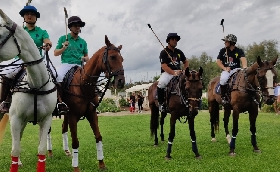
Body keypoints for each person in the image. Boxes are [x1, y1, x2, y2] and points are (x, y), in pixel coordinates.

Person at [0, 5, 52, 114]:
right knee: (7, 76)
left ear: (36, 17)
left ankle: (58, 102)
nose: (29, 16)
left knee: (54, 76)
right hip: (19, 60)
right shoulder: (18, 30)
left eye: (32, 14)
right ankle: (4, 101)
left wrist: (47, 44)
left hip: (37, 62)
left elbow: (47, 41)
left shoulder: (42, 31)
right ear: (24, 17)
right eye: (27, 14)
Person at [54, 16, 89, 114]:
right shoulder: (63, 38)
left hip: (79, 65)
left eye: (79, 26)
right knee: (57, 77)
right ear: (70, 27)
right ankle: (59, 102)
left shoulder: (83, 42)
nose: (77, 27)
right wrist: (63, 48)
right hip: (66, 64)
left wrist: (84, 58)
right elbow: (55, 53)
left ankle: (90, 102)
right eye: (75, 26)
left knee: (90, 78)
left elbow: (87, 57)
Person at [157, 33, 189, 112]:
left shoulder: (179, 52)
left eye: (176, 40)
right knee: (161, 83)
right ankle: (161, 104)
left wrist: (185, 71)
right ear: (168, 41)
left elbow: (186, 62)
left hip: (179, 72)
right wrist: (173, 73)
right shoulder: (164, 52)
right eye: (173, 39)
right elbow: (164, 66)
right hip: (167, 73)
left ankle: (189, 101)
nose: (175, 41)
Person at [217, 34, 247, 106]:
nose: (225, 43)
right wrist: (224, 68)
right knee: (223, 79)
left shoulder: (239, 51)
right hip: (227, 70)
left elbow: (243, 59)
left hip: (237, 69)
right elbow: (218, 61)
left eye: (226, 41)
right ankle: (223, 97)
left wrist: (245, 68)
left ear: (231, 42)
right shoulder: (223, 51)